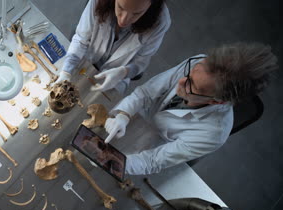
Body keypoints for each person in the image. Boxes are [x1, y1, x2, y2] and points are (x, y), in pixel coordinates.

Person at [103, 42, 278, 175]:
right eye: (189, 74)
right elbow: (147, 93)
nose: (181, 81)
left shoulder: (214, 133)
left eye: (192, 86)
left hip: (150, 146)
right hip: (136, 118)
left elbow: (153, 160)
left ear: (216, 102)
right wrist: (123, 114)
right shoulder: (198, 63)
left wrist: (117, 162)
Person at [57, 0, 171, 95]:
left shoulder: (160, 22)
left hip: (115, 79)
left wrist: (124, 72)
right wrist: (66, 72)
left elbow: (140, 62)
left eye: (136, 13)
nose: (123, 20)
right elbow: (82, 39)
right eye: (120, 7)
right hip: (88, 57)